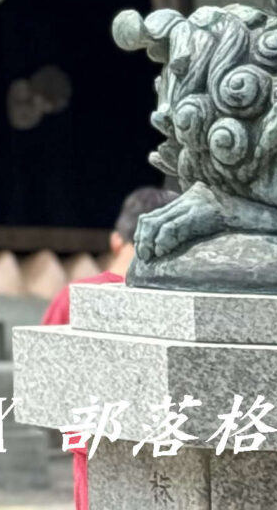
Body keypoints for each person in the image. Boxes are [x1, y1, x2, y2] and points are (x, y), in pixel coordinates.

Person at [41, 185, 179, 510]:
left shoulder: (75, 298)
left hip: (92, 447)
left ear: (116, 240)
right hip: (174, 446)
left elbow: (44, 376)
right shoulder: (179, 304)